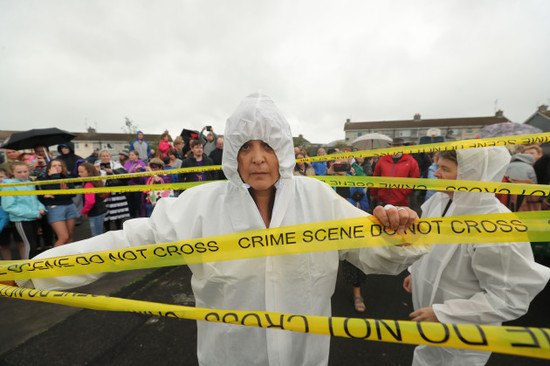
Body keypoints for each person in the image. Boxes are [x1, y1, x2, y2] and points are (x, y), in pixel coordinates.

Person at [15, 94, 424, 365]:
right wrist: (34, 271)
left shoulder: (318, 199)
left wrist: (397, 232)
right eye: (246, 147)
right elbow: (129, 242)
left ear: (283, 150)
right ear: (232, 155)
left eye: (267, 147)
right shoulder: (201, 205)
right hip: (231, 356)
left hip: (304, 355)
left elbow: (375, 255)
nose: (258, 159)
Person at [402, 147, 550, 366]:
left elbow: (509, 297)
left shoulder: (497, 227)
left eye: (445, 168)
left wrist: (445, 313)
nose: (435, 173)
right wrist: (415, 272)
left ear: (471, 175)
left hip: (465, 337)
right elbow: (428, 245)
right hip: (431, 324)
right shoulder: (440, 202)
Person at [1, 161, 46, 259]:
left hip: (33, 218)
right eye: (19, 172)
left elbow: (35, 200)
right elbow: (8, 206)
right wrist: (35, 213)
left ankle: (32, 267)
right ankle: (28, 269)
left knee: (33, 244)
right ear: (12, 172)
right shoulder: (7, 186)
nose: (23, 174)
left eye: (25, 171)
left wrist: (41, 208)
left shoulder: (29, 183)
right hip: (21, 220)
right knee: (29, 245)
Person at [37, 159, 78, 247]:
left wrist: (55, 195)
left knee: (70, 236)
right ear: (49, 168)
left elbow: (73, 193)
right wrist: (54, 177)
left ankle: (68, 258)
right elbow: (52, 191)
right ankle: (55, 258)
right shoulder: (43, 179)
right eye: (54, 166)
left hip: (70, 206)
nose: (57, 167)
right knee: (63, 237)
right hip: (55, 208)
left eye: (59, 165)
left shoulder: (67, 178)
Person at [370, 138, 420, 207]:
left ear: (403, 146)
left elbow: (415, 181)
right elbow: (375, 178)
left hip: (402, 202)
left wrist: (404, 192)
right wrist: (373, 193)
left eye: (398, 145)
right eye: (394, 145)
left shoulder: (411, 161)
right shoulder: (382, 160)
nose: (396, 148)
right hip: (383, 200)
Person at [95, 150, 131, 231]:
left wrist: (113, 171)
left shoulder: (116, 165)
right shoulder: (96, 165)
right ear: (100, 157)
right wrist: (97, 171)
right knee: (106, 216)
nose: (105, 157)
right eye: (103, 156)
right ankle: (107, 231)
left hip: (117, 194)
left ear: (110, 157)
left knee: (119, 215)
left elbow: (126, 175)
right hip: (104, 194)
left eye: (107, 155)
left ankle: (119, 231)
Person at [77, 163, 108, 237]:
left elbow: (90, 201)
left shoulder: (88, 184)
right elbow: (107, 192)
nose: (79, 174)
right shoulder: (97, 180)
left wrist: (84, 211)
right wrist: (100, 200)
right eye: (79, 172)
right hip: (101, 209)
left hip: (95, 212)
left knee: (96, 235)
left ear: (89, 172)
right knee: (99, 232)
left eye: (82, 172)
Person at [123, 150, 148, 218]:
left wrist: (136, 172)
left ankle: (140, 218)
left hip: (138, 187)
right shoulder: (126, 163)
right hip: (129, 186)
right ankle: (132, 218)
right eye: (130, 155)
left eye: (132, 155)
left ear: (137, 156)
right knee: (130, 205)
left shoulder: (141, 164)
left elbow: (144, 176)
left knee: (138, 205)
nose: (130, 156)